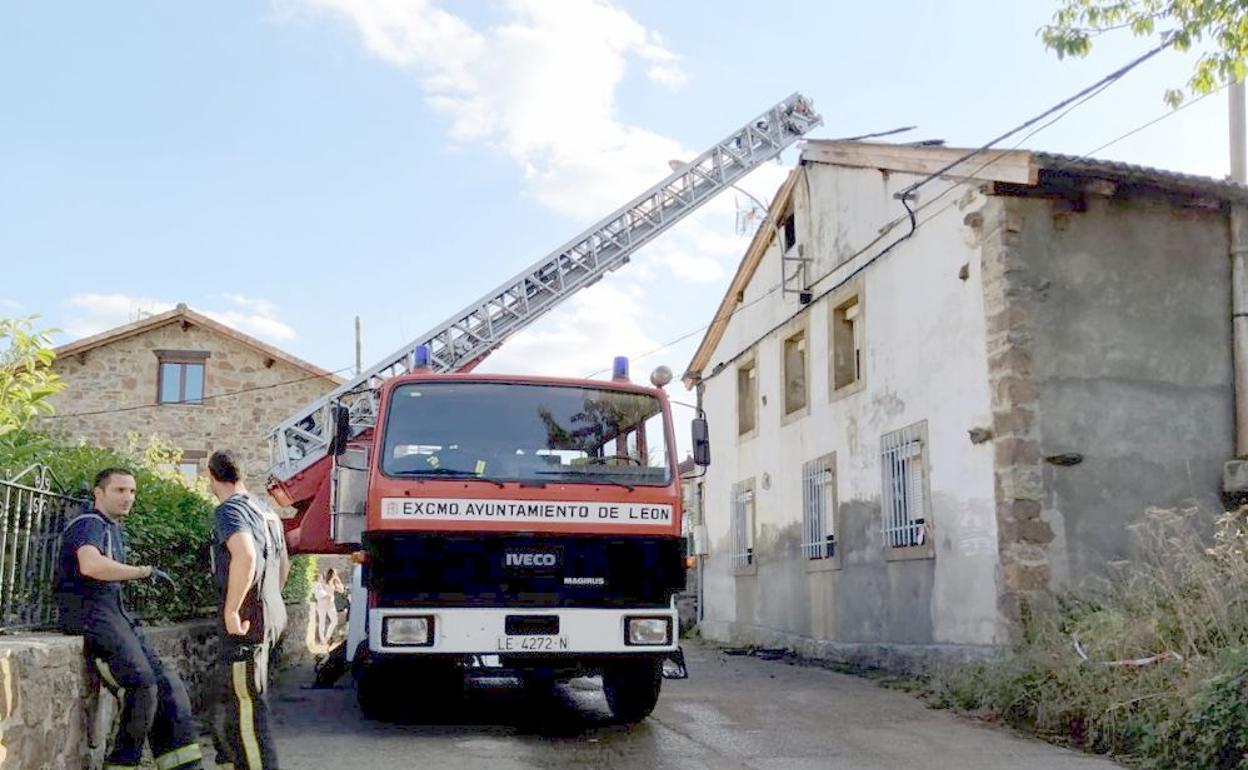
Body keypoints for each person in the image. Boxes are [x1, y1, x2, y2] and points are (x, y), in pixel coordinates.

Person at [55, 467, 204, 770]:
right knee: (142, 686)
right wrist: (143, 572)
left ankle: (185, 766)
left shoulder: (112, 528)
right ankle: (123, 763)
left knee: (168, 686)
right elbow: (91, 565)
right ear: (99, 493)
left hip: (115, 615)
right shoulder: (88, 523)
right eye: (120, 490)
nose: (128, 498)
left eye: (132, 491)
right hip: (90, 615)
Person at [208, 450, 284, 770]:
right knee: (232, 701)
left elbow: (246, 555)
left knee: (248, 713)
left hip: (246, 624)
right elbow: (284, 565)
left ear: (211, 475)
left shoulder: (229, 510)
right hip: (270, 615)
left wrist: (232, 610)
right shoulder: (266, 510)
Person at [312, 569, 345, 643]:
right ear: (331, 574)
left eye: (336, 574)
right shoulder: (323, 582)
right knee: (322, 622)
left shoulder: (334, 583)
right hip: (322, 604)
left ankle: (327, 637)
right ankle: (322, 639)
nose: (335, 575)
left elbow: (342, 590)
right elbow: (320, 591)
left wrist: (338, 580)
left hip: (331, 605)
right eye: (334, 574)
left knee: (334, 621)